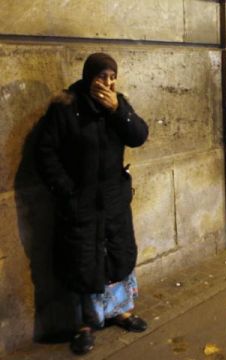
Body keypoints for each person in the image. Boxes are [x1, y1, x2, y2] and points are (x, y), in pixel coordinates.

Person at [35, 53, 149, 355]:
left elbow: (139, 136)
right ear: (89, 77)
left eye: (112, 77)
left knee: (119, 254)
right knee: (83, 261)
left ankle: (121, 311)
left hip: (113, 198)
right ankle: (85, 324)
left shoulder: (118, 103)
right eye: (102, 77)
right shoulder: (67, 107)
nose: (108, 83)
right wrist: (66, 190)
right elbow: (45, 152)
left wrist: (117, 111)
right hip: (81, 200)